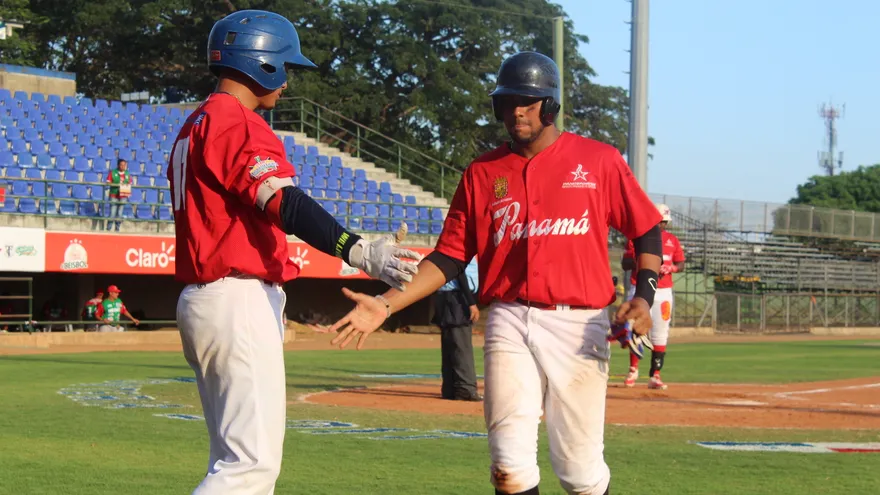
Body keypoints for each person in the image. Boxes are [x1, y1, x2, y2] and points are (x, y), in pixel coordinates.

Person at [327, 51, 663, 495]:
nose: (516, 111)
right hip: (509, 318)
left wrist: (644, 294)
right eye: (507, 102)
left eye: (527, 101)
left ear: (550, 105)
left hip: (580, 322)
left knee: (579, 471)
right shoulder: (483, 172)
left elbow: (647, 228)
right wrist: (386, 304)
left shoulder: (597, 161)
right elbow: (449, 256)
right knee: (509, 466)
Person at [167, 10, 423, 494]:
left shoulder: (195, 121)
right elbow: (283, 200)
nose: (286, 81)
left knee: (231, 460)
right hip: (235, 297)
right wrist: (355, 248)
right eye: (284, 66)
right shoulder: (235, 121)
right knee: (250, 467)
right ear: (260, 62)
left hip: (207, 298)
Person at [620, 203, 685, 390]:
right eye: (660, 221)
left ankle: (655, 375)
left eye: (664, 222)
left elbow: (681, 264)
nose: (661, 226)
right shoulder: (637, 237)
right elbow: (625, 263)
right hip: (638, 289)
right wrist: (645, 261)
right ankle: (633, 370)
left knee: (660, 332)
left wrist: (670, 267)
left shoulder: (672, 240)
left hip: (663, 291)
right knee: (635, 330)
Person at [432, 259, 481, 401]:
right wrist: (471, 302)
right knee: (461, 346)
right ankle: (465, 388)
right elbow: (460, 274)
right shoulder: (462, 250)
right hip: (458, 297)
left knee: (449, 344)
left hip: (445, 296)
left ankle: (450, 389)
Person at [106, 158, 132, 231]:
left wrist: (126, 187)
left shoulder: (127, 173)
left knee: (120, 213)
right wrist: (116, 185)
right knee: (112, 213)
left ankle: (117, 229)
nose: (123, 166)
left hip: (123, 196)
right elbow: (108, 182)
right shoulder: (113, 172)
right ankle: (108, 229)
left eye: (124, 165)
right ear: (118, 165)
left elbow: (130, 183)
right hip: (114, 195)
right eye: (121, 165)